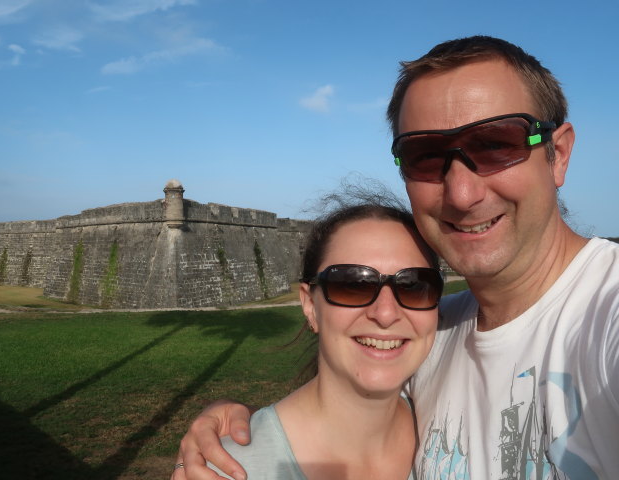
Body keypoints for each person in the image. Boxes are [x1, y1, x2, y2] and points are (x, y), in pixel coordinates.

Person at [173, 36, 619, 480]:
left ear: (556, 154)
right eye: (425, 156)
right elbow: (340, 404)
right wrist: (246, 435)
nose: (462, 194)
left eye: (496, 144)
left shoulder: (606, 316)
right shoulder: (428, 331)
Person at [197, 202, 443, 479]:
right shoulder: (229, 470)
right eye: (353, 284)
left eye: (413, 285)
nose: (385, 314)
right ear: (310, 305)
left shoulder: (447, 430)